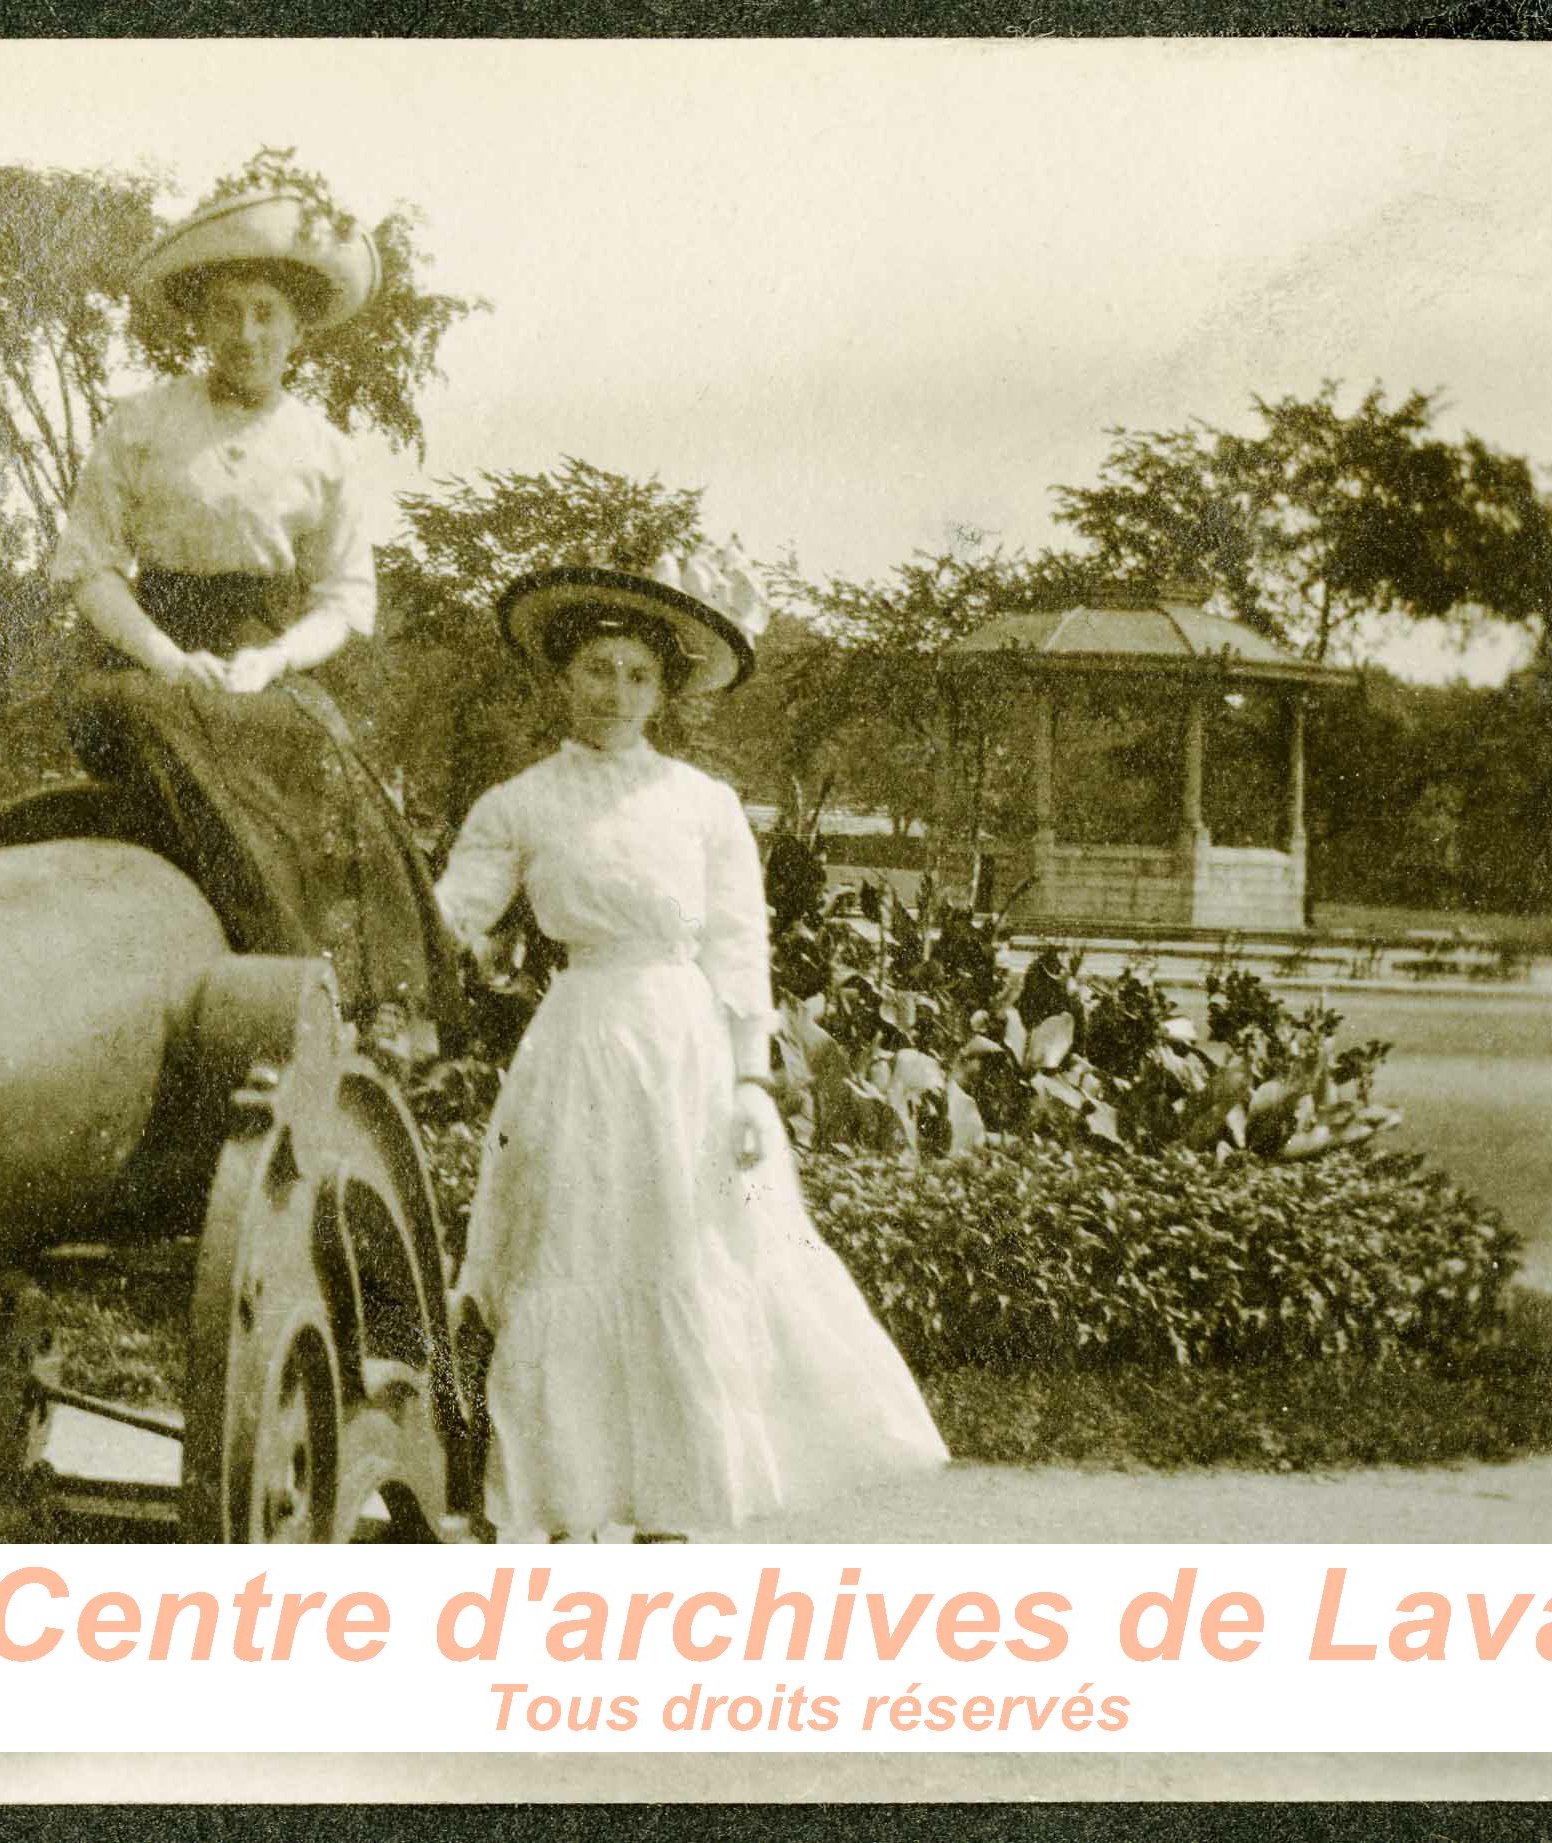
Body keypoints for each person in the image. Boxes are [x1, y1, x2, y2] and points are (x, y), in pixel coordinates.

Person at [432, 547, 949, 1542]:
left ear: (665, 688)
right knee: (572, 1257)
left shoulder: (703, 805)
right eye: (596, 669)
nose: (615, 692)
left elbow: (736, 943)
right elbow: (455, 916)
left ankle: (674, 1510)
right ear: (561, 677)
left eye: (637, 674)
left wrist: (752, 1083)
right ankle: (568, 1504)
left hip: (683, 1053)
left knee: (681, 1256)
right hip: (578, 1044)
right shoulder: (518, 803)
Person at [47, 188, 459, 1039]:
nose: (246, 332)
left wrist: (272, 661)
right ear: (199, 322)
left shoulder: (323, 447)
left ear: (297, 329)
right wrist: (162, 654)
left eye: (266, 313)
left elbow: (345, 596)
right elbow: (89, 566)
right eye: (226, 311)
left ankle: (364, 1005)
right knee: (146, 711)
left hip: (268, 657)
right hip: (149, 649)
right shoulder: (143, 422)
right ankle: (270, 955)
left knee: (327, 756)